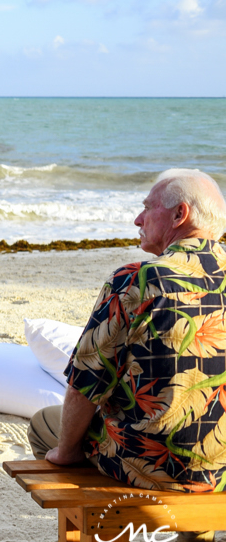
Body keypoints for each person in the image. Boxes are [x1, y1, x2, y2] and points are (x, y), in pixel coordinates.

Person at [29, 169, 226, 494]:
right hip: (221, 469)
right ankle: (194, 540)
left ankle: (98, 533)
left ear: (180, 214)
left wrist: (65, 453)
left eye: (148, 207)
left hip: (151, 467)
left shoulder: (136, 281)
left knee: (44, 424)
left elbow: (85, 385)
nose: (138, 219)